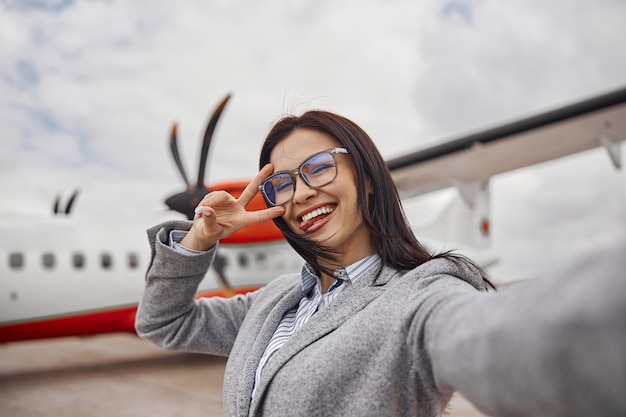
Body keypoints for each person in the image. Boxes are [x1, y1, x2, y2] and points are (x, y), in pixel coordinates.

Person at [136, 110, 626, 417]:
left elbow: (493, 335)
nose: (302, 192)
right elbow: (164, 322)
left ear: (368, 177)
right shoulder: (274, 302)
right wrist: (201, 236)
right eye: (281, 183)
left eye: (319, 167)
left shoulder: (421, 296)